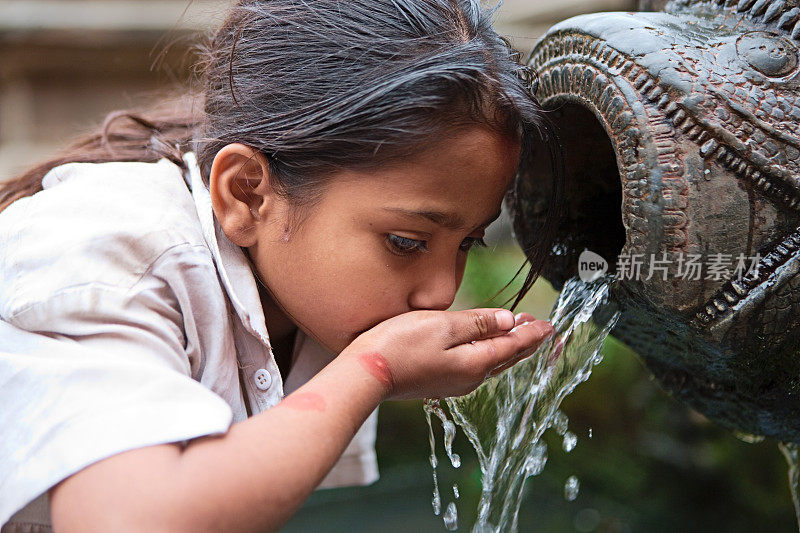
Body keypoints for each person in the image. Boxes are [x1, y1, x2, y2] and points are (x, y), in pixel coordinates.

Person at [0, 0, 564, 531]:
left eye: (468, 243)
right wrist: (374, 370)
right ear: (247, 194)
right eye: (405, 241)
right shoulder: (114, 250)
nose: (440, 294)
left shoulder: (301, 294)